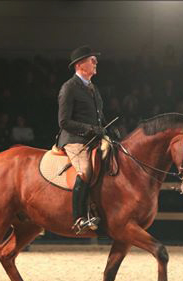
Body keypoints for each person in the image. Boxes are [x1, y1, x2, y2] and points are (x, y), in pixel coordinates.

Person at [56, 45, 106, 234]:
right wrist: (91, 129)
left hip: (93, 138)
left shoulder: (93, 88)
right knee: (84, 171)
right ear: (79, 65)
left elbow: (100, 117)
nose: (96, 63)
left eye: (95, 60)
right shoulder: (69, 88)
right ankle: (78, 218)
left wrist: (110, 131)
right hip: (74, 138)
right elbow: (63, 121)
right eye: (92, 60)